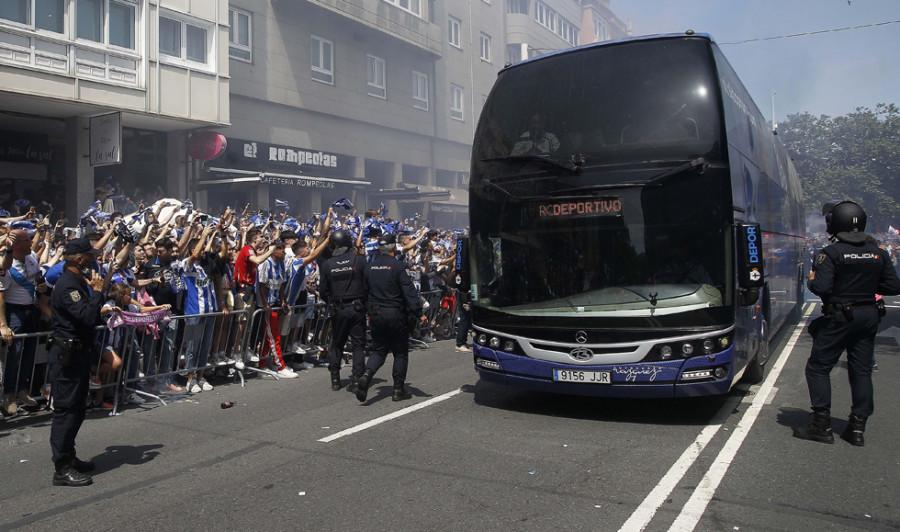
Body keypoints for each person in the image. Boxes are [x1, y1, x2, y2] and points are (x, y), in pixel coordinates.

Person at [794, 201, 900, 446]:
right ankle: (857, 428)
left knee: (818, 367)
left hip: (841, 316)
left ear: (834, 223)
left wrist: (812, 282)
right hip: (869, 315)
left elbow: (821, 288)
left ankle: (821, 425)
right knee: (861, 370)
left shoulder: (830, 253)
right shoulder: (879, 253)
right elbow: (894, 286)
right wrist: (868, 287)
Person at [48, 237, 110, 487]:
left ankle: (70, 457)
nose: (95, 260)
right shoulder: (67, 286)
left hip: (78, 353)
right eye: (91, 256)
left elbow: (89, 313)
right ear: (80, 259)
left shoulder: (76, 282)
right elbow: (85, 316)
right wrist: (96, 294)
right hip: (67, 356)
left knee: (77, 409)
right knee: (66, 411)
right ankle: (61, 468)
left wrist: (97, 300)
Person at [355, 233, 426, 403]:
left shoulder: (370, 267)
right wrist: (419, 313)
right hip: (395, 314)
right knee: (400, 353)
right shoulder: (398, 266)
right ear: (394, 248)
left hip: (376, 315)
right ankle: (398, 390)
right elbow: (409, 292)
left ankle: (366, 374)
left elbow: (363, 293)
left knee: (378, 350)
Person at [319, 230, 368, 391]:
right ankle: (356, 379)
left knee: (337, 344)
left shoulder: (327, 265)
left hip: (337, 309)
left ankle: (335, 379)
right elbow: (367, 284)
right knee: (358, 345)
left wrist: (332, 302)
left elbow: (323, 290)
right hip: (356, 308)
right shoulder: (359, 260)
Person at [0, 229, 41, 415]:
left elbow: (36, 278)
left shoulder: (32, 257)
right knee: (14, 354)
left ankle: (23, 391)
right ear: (16, 244)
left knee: (29, 352)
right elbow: (1, 295)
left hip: (31, 310)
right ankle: (8, 395)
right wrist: (3, 325)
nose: (31, 242)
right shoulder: (6, 263)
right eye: (27, 240)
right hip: (14, 311)